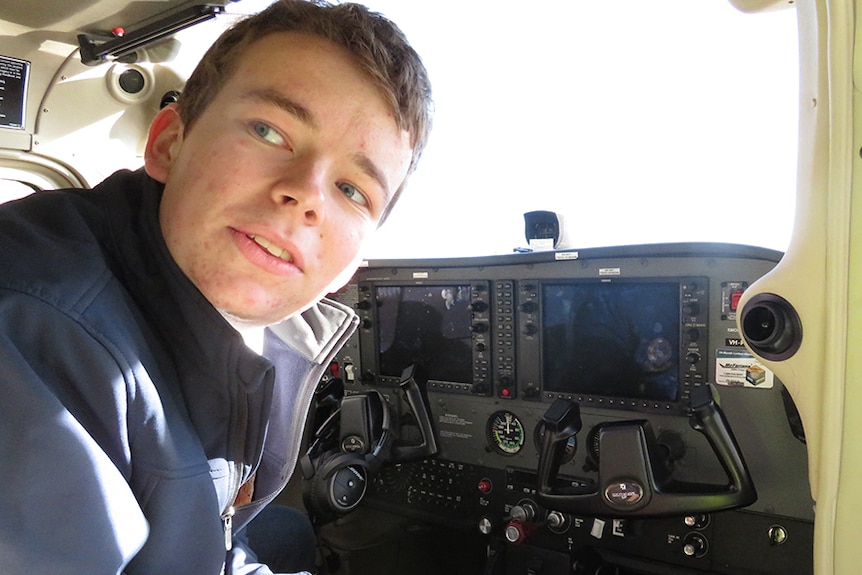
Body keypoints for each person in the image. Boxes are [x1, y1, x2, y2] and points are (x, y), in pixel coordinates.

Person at [0, 0, 432, 573]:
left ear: (356, 261)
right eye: (270, 131)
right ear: (168, 143)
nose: (306, 194)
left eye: (353, 190)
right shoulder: (34, 329)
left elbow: (203, 553)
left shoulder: (228, 328)